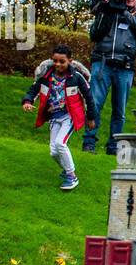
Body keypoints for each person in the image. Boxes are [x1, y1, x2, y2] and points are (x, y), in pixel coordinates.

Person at [83, 0, 136, 155]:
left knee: (119, 110)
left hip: (125, 67)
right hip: (103, 62)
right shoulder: (108, 11)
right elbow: (94, 26)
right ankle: (89, 142)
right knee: (95, 104)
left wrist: (126, 14)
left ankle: (113, 146)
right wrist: (106, 1)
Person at [21, 44, 97, 191]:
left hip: (69, 116)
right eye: (55, 61)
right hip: (54, 116)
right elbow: (33, 90)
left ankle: (71, 176)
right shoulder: (46, 76)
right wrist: (27, 101)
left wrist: (91, 117)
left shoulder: (76, 78)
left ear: (70, 61)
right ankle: (66, 169)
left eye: (62, 61)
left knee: (60, 144)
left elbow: (89, 98)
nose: (58, 64)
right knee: (54, 151)